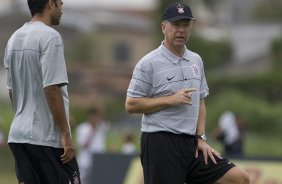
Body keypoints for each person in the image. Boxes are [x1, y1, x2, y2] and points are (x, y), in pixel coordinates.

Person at [125, 2, 250, 184]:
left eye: (186, 25)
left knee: (240, 178)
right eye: (176, 25)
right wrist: (170, 100)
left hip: (191, 144)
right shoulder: (148, 63)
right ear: (164, 27)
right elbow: (131, 104)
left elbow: (200, 101)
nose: (181, 30)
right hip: (160, 143)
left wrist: (200, 138)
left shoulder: (196, 60)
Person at [3, 0, 80, 183]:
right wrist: (66, 134)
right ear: (50, 4)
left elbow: (12, 91)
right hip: (46, 138)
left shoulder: (13, 38)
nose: (62, 6)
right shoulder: (50, 37)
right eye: (59, 3)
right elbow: (51, 87)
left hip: (19, 136)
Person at [76, 107, 109, 184]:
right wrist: (92, 131)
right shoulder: (82, 128)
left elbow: (104, 115)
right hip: (85, 162)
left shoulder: (101, 126)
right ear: (89, 116)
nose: (95, 119)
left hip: (99, 160)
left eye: (96, 116)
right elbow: (83, 145)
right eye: (93, 116)